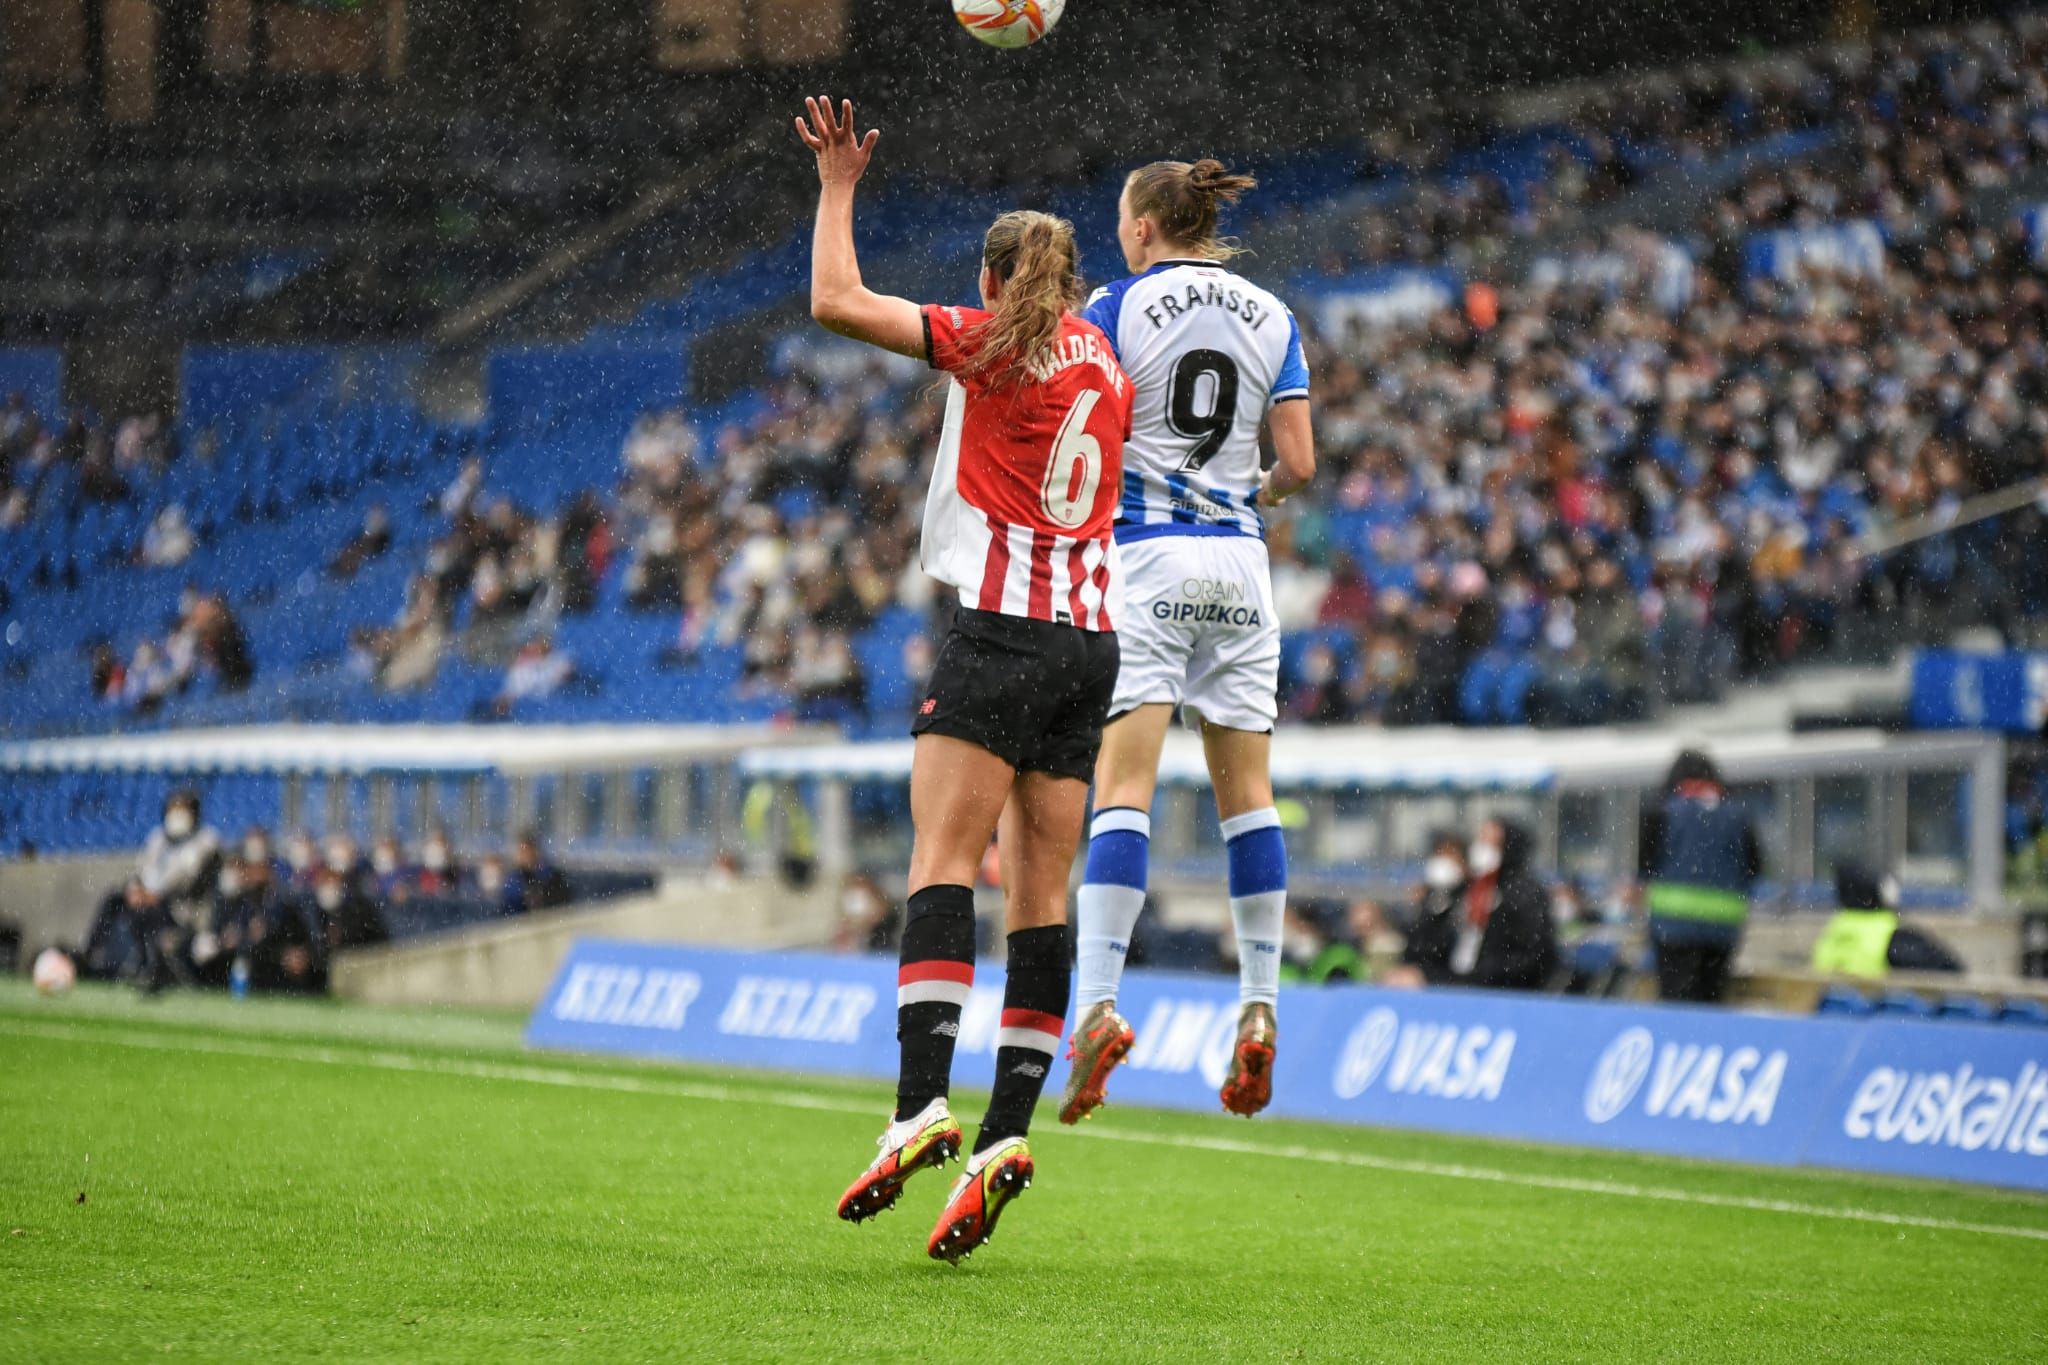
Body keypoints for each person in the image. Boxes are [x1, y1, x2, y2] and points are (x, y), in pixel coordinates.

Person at [795, 97, 1130, 1263]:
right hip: (1092, 648)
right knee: (1040, 895)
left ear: (992, 283)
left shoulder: (994, 343)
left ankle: (916, 1107)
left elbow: (835, 302)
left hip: (1001, 634)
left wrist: (839, 186)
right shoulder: (1103, 358)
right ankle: (1002, 1136)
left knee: (941, 865)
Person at [1061, 156, 1317, 1122]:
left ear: (1141, 229)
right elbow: (1298, 461)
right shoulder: (1273, 313)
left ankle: (1097, 1007)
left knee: (1123, 786)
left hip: (1147, 557)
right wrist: (1254, 492)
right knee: (1247, 798)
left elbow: (1078, 423)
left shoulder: (1116, 306)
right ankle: (1258, 1006)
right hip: (1242, 570)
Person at [1638, 749, 1764, 1004]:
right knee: (1711, 1001)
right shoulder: (1739, 816)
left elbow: (1645, 865)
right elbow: (1755, 868)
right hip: (1723, 928)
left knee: (1676, 1004)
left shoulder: (1662, 811)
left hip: (1673, 928)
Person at [1811, 862, 1963, 979]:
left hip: (1840, 1015)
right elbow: (1952, 970)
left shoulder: (1831, 934)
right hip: (1879, 1016)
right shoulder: (1893, 938)